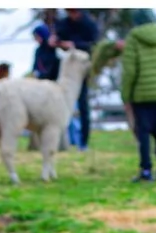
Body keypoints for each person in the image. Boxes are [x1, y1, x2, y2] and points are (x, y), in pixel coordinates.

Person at [120, 8, 156, 181]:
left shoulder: (133, 38)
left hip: (142, 94)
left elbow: (130, 71)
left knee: (143, 133)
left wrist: (126, 95)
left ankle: (146, 170)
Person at [56, 5, 101, 143]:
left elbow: (94, 44)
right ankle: (64, 139)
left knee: (83, 105)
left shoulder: (89, 24)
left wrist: (75, 45)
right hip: (66, 70)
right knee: (62, 103)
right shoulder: (64, 24)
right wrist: (57, 42)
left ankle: (83, 141)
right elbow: (58, 39)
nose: (71, 14)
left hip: (81, 70)